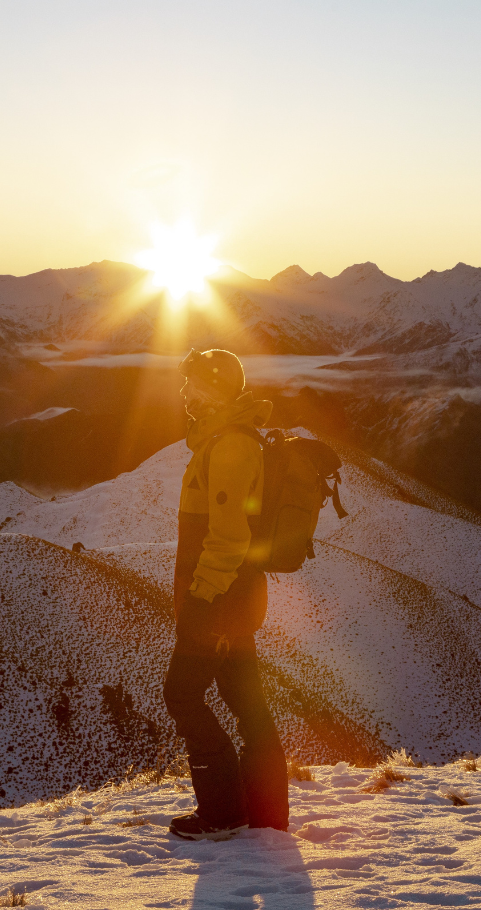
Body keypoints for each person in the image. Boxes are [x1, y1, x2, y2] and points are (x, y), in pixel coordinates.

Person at [163, 348, 288, 841]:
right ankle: (265, 814)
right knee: (245, 700)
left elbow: (229, 536)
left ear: (214, 388)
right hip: (231, 596)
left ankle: (223, 811)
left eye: (192, 384)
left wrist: (202, 599)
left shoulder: (232, 445)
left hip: (221, 599)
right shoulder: (218, 441)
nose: (184, 394)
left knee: (182, 694)